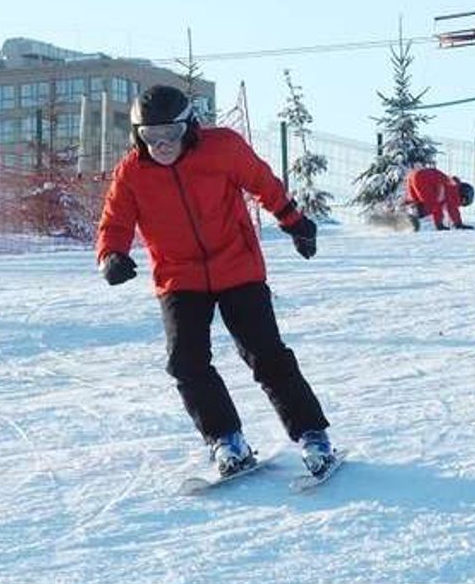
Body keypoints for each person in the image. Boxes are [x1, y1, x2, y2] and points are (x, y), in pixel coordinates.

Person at [96, 84, 335, 478]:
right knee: (185, 362)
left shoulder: (222, 148)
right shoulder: (132, 173)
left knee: (265, 354)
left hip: (237, 265)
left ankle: (313, 435)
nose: (161, 145)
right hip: (178, 276)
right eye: (149, 136)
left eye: (170, 134)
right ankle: (227, 440)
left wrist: (294, 222)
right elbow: (115, 220)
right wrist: (111, 256)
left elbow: (263, 182)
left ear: (189, 126)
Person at [404, 166, 475, 231]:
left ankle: (401, 219)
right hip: (423, 178)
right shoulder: (454, 189)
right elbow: (452, 209)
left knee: (416, 203)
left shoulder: (449, 183)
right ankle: (412, 221)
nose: (459, 204)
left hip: (413, 175)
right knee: (432, 205)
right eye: (463, 201)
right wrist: (457, 224)